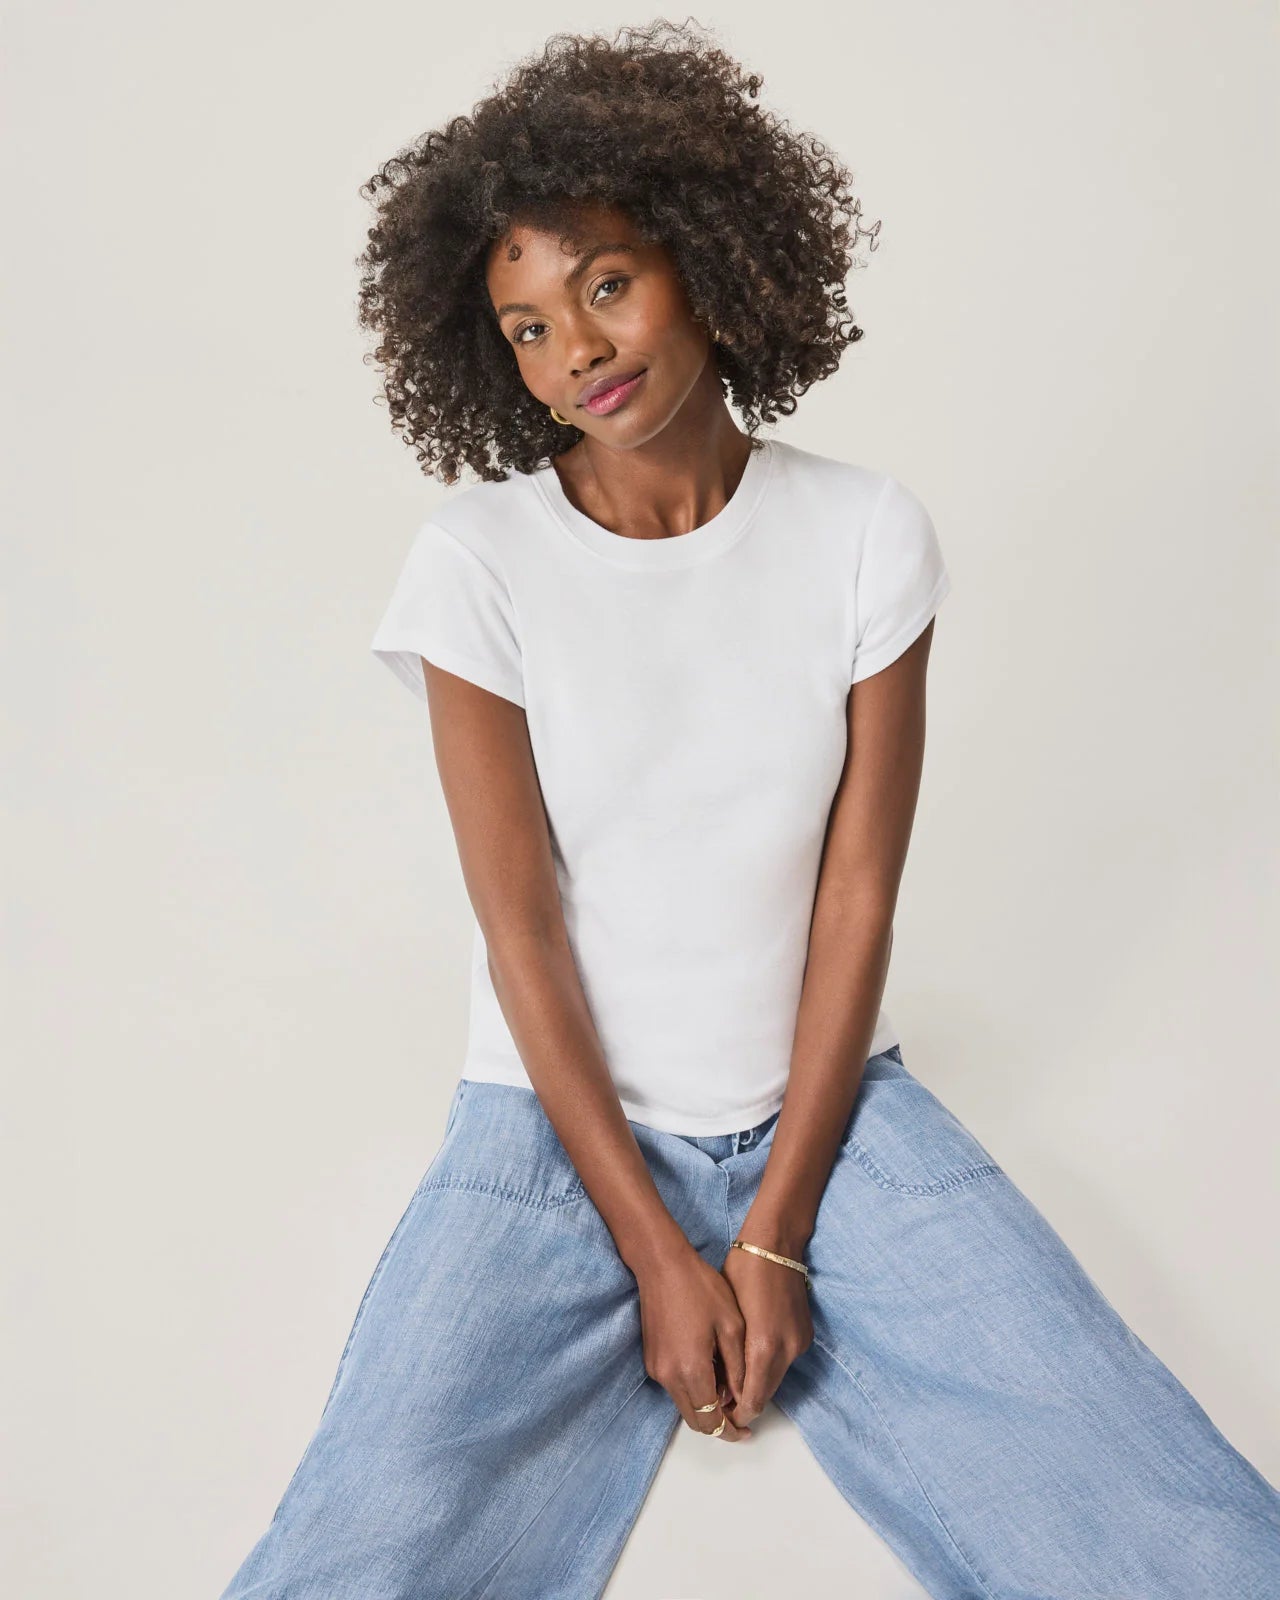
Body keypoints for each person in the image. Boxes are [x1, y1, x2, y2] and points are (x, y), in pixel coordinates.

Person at [218, 21, 1280, 1599]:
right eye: (526, 327)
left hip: (830, 1121)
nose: (576, 350)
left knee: (1164, 1522)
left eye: (606, 283)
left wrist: (772, 1231)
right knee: (365, 1548)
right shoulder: (479, 564)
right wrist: (660, 1253)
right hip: (551, 1134)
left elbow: (858, 898)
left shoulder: (864, 535)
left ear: (709, 259)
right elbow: (520, 931)